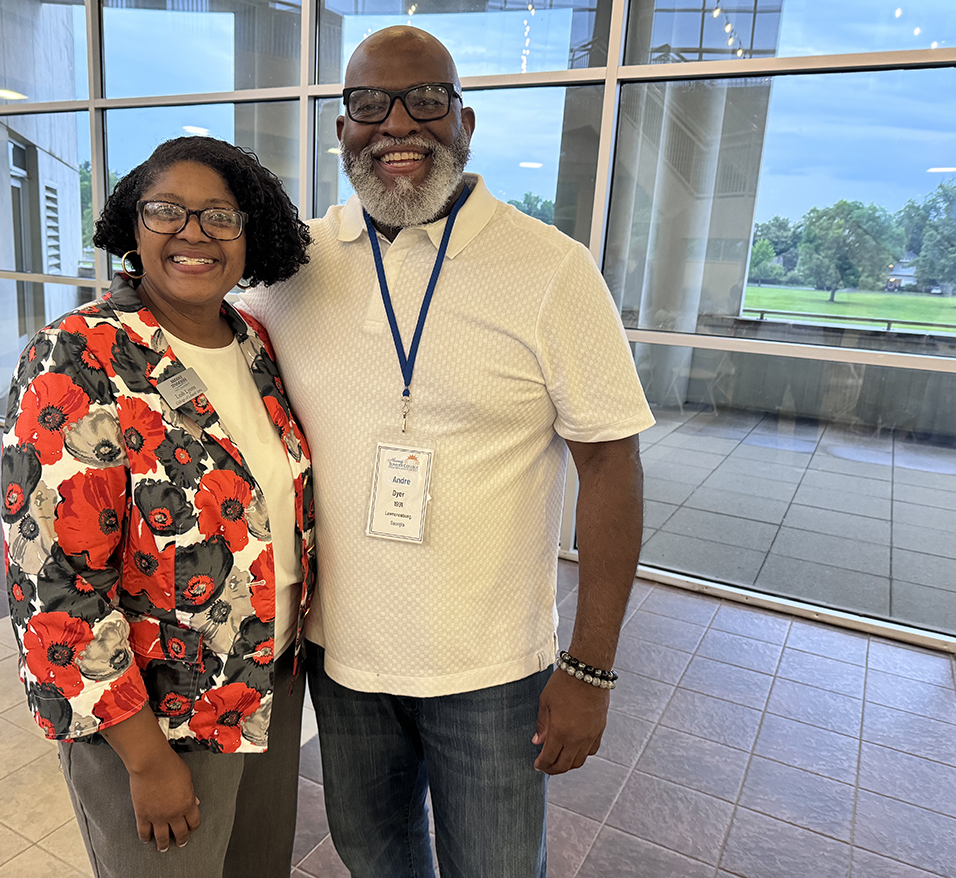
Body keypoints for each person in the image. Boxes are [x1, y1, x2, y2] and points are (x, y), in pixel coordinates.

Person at [240, 26, 653, 878]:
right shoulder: (294, 266)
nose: (398, 124)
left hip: (491, 669)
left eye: (426, 99)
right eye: (369, 104)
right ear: (342, 129)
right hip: (343, 659)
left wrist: (591, 668)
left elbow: (610, 466)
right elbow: (194, 325)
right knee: (375, 857)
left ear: (465, 121)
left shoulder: (551, 269)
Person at [0, 136, 315, 878]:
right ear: (131, 226)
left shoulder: (253, 345)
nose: (193, 234)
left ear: (251, 233)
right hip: (154, 718)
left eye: (220, 216)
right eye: (166, 210)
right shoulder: (78, 354)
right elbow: (52, 582)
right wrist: (145, 759)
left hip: (264, 685)